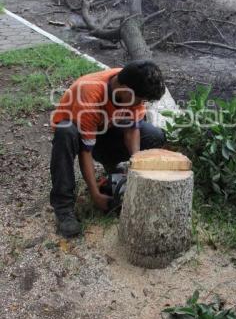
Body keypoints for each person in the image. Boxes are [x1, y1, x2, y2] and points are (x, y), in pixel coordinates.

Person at [50, 60, 166, 237]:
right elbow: (85, 152)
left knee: (154, 136)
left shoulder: (135, 82)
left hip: (105, 129)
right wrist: (95, 195)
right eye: (140, 99)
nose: (141, 103)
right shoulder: (89, 93)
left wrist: (136, 168)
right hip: (77, 131)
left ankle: (110, 164)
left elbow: (132, 130)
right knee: (66, 133)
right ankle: (64, 208)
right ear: (125, 89)